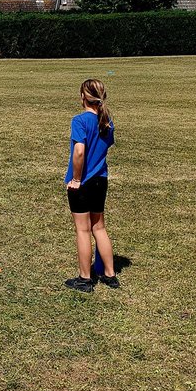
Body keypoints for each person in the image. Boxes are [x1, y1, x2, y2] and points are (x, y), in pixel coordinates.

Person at [64, 78, 118, 294]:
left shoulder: (80, 121)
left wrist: (76, 179)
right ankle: (110, 274)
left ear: (83, 97)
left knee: (83, 230)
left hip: (84, 183)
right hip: (100, 180)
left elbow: (79, 152)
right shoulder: (107, 122)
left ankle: (85, 279)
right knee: (99, 227)